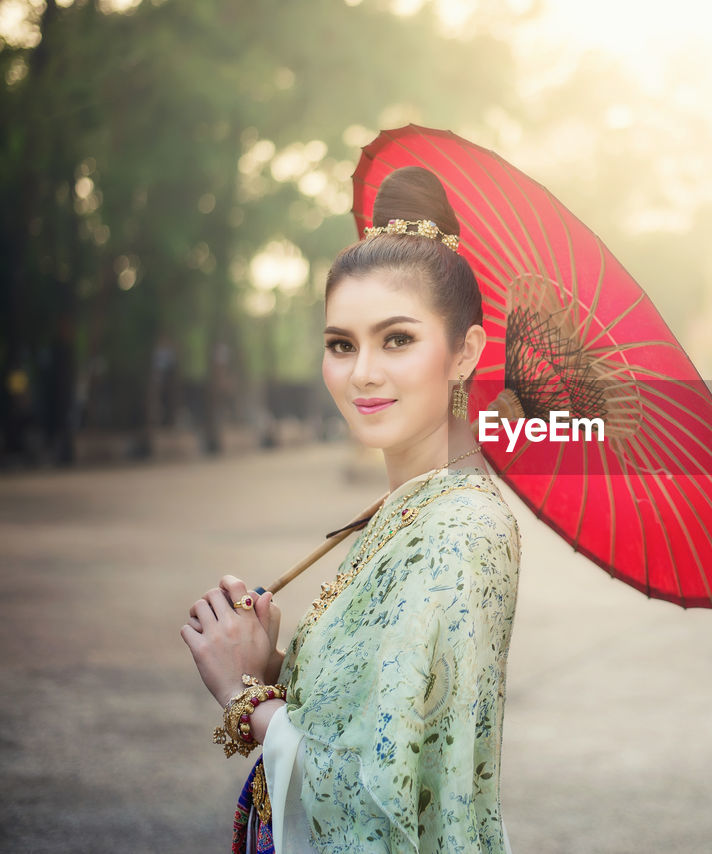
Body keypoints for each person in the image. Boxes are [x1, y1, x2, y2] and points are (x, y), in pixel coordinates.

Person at [180, 166, 521, 853]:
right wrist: (273, 663)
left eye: (397, 339)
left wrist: (246, 702)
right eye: (342, 344)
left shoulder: (460, 531)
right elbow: (374, 709)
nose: (362, 371)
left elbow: (383, 799)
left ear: (465, 353)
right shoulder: (404, 512)